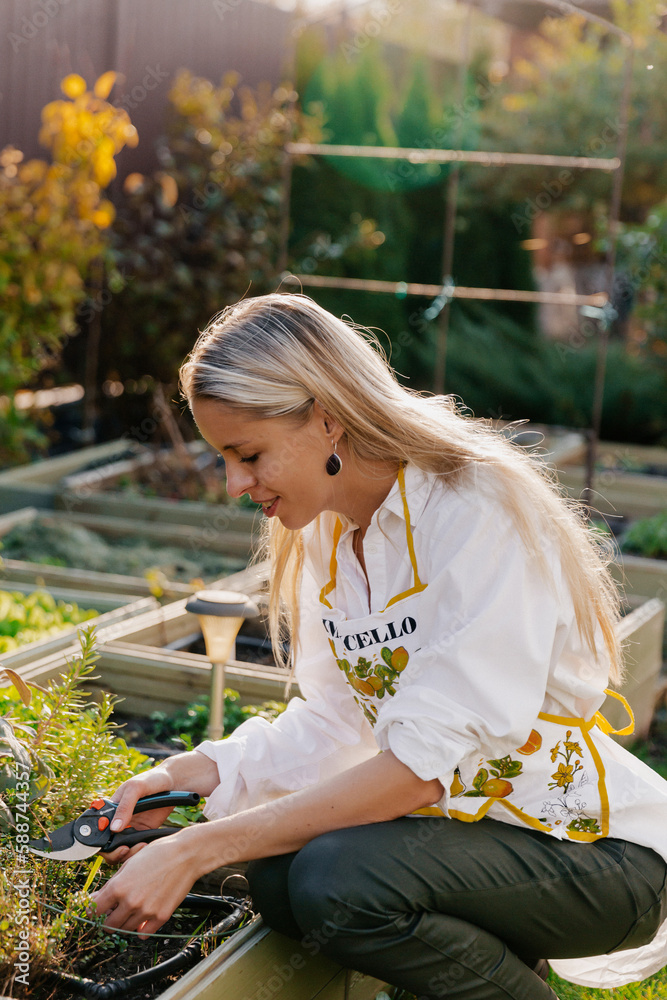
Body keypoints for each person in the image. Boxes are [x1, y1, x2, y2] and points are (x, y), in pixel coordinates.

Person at [92, 292, 667, 1000]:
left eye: (248, 455)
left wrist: (200, 846)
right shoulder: (329, 537)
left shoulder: (474, 508)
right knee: (279, 877)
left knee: (338, 881)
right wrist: (194, 771)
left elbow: (421, 769)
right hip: (469, 843)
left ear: (327, 419)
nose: (236, 484)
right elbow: (337, 724)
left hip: (590, 854)